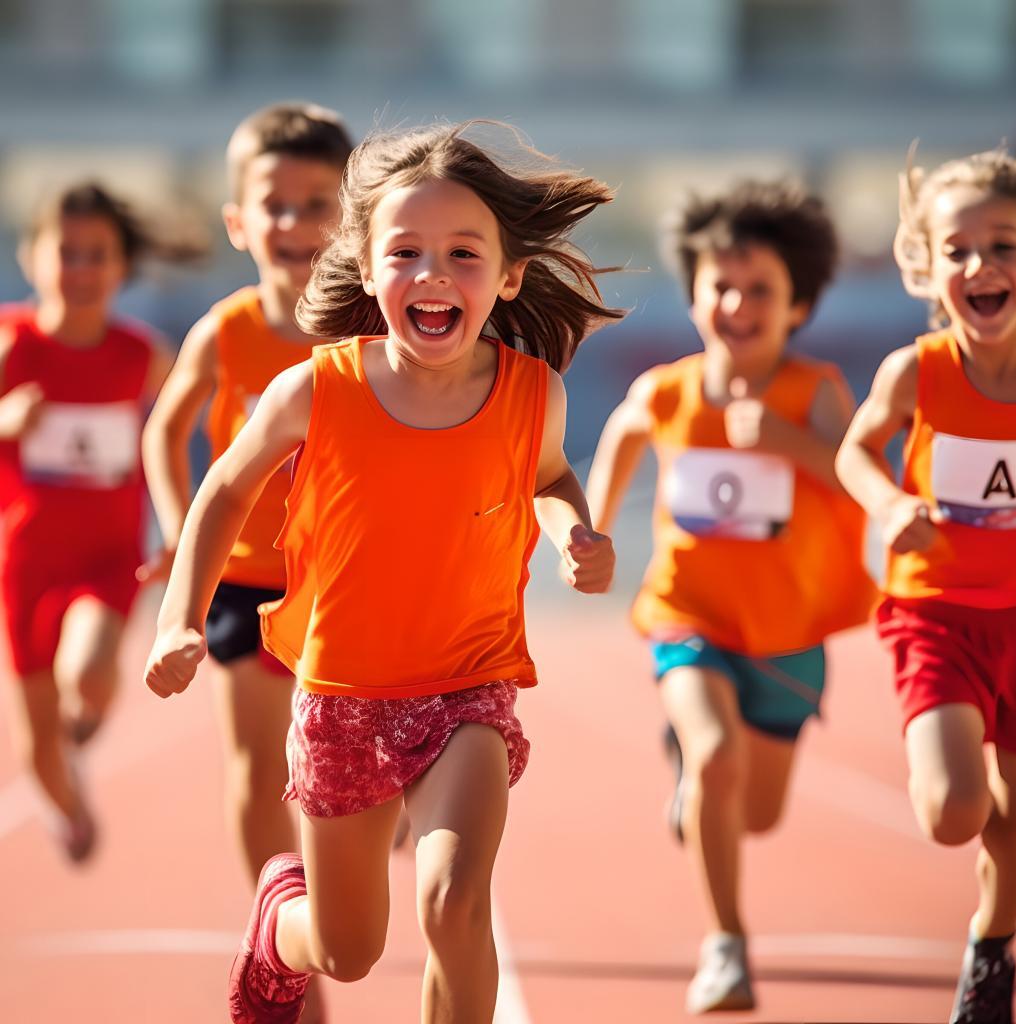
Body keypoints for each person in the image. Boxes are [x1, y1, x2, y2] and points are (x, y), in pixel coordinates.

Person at [144, 120, 620, 1024]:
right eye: (404, 252)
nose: (433, 274)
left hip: (468, 688)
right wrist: (180, 620)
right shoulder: (317, 389)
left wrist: (573, 531)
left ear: (508, 277)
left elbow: (549, 472)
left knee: (453, 902)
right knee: (347, 949)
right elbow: (223, 490)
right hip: (343, 694)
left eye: (463, 253)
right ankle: (280, 923)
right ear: (366, 269)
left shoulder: (530, 393)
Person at [587, 181, 875, 1013]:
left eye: (760, 291)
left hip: (788, 635)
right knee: (717, 756)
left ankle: (697, 779)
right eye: (721, 286)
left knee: (755, 815)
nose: (737, 304)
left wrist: (791, 444)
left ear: (798, 307)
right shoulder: (670, 390)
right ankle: (726, 945)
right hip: (690, 615)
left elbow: (863, 483)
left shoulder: (816, 393)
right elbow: (621, 437)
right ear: (694, 293)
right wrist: (592, 529)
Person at [141, 102, 354, 887]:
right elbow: (166, 432)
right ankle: (281, 933)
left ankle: (369, 836)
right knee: (259, 768)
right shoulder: (224, 333)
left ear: (352, 220)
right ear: (238, 221)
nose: (295, 221)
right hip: (245, 580)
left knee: (354, 759)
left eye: (318, 204)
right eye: (275, 204)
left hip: (348, 585)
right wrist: (175, 529)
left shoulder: (371, 335)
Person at [836, 147, 1016, 1024]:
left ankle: (991, 946)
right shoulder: (919, 370)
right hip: (939, 615)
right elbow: (855, 448)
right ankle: (985, 800)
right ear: (929, 265)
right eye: (958, 250)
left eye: (1005, 246)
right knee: (955, 813)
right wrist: (885, 501)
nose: (980, 267)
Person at [0, 182, 192, 861]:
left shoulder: (144, 358)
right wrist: (5, 422)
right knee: (38, 755)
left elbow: (180, 434)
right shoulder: (8, 343)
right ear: (32, 258)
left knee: (87, 673)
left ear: (121, 268)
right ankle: (72, 807)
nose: (81, 269)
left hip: (110, 558)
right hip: (25, 563)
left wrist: (181, 525)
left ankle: (88, 715)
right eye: (67, 252)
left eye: (97, 255)